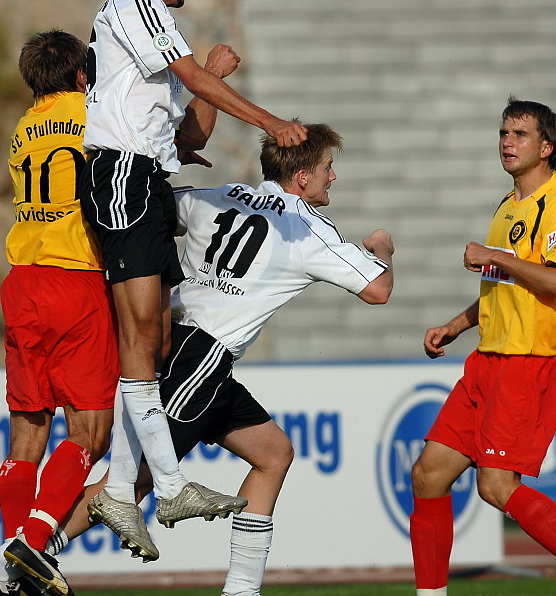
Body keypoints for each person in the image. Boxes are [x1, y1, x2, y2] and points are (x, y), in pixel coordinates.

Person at [59, 123, 394, 596]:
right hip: (201, 357)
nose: (332, 177)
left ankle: (241, 590)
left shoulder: (219, 195)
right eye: (326, 168)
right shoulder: (307, 230)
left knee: (273, 453)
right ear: (301, 176)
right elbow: (378, 290)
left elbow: (152, 210)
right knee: (133, 481)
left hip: (187, 346)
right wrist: (382, 249)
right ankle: (30, 554)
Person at [79, 0, 308, 552]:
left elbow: (191, 131)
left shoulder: (147, 32)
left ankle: (124, 492)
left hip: (143, 178)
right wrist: (268, 121)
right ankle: (170, 485)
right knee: (141, 333)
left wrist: (208, 71)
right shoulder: (135, 2)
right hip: (122, 175)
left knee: (149, 338)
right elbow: (190, 79)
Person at [408, 97, 556, 596]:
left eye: (521, 135)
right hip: (487, 360)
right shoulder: (506, 206)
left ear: (547, 147)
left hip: (527, 364)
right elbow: (504, 286)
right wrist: (455, 325)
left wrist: (494, 256)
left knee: (495, 486)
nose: (508, 142)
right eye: (504, 133)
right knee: (428, 475)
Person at [0, 30, 120, 596]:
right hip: (74, 277)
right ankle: (24, 549)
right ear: (81, 76)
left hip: (22, 281)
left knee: (27, 434)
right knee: (90, 434)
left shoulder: (25, 130)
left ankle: (8, 573)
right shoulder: (92, 108)